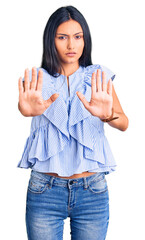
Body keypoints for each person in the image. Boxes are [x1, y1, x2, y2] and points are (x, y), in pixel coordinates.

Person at [17, 5, 128, 240]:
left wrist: (106, 115)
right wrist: (26, 111)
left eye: (78, 37)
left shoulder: (97, 77)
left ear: (85, 39)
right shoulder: (37, 79)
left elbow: (124, 122)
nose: (71, 45)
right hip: (44, 191)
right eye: (62, 37)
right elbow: (26, 107)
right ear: (51, 40)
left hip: (92, 190)